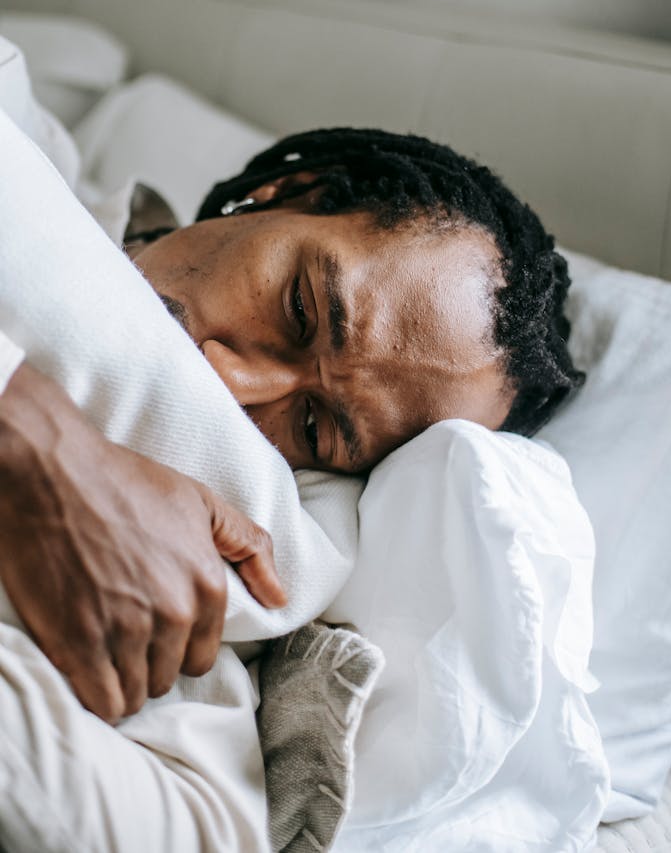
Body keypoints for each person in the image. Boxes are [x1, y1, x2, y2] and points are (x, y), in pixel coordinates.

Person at [0, 59, 582, 724]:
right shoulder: (17, 123)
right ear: (281, 191)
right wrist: (37, 443)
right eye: (300, 309)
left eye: (314, 427)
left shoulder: (261, 545)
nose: (228, 379)